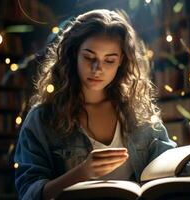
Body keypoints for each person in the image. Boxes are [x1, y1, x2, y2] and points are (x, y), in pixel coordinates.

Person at [14, 9, 177, 200]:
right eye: (89, 57)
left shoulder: (139, 112)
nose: (97, 69)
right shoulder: (43, 118)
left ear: (121, 61)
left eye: (109, 60)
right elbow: (28, 193)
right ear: (74, 53)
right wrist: (82, 173)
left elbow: (169, 165)